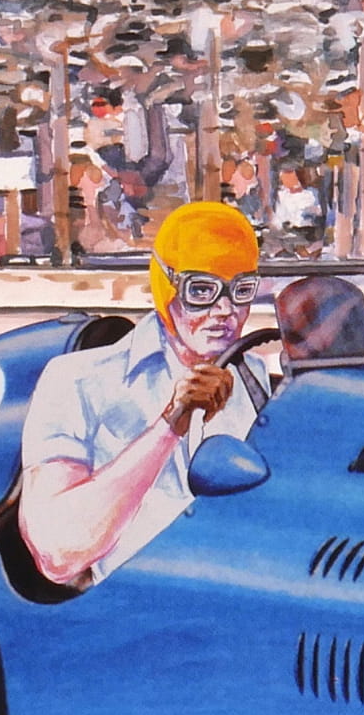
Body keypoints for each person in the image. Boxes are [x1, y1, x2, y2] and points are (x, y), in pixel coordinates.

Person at [19, 200, 269, 587]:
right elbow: (58, 551)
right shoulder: (77, 380)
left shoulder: (253, 375)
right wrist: (172, 422)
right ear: (166, 285)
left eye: (241, 290)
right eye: (201, 290)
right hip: (133, 605)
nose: (225, 309)